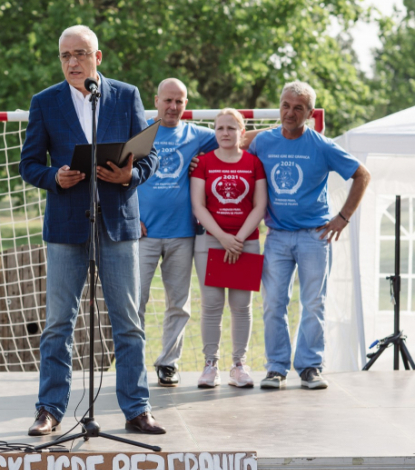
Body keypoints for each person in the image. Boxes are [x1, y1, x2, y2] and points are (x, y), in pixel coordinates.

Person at [19, 25, 164, 435]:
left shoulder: (126, 95)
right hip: (66, 225)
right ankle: (49, 408)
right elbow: (29, 163)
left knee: (128, 320)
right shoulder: (45, 102)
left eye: (80, 54)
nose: (72, 62)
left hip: (118, 224)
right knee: (58, 323)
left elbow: (150, 158)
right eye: (65, 56)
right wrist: (54, 177)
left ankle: (137, 408)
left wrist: (127, 175)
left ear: (97, 58)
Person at [248, 81, 371, 390]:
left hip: (315, 237)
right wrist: (199, 159)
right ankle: (276, 367)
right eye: (286, 106)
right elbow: (230, 142)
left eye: (298, 108)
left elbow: (362, 174)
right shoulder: (263, 141)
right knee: (274, 303)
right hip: (276, 236)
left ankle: (310, 367)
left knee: (313, 303)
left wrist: (343, 218)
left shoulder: (322, 145)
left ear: (310, 113)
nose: (290, 112)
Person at [137, 78, 218, 388]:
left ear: (186, 105)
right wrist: (130, 217)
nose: (172, 107)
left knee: (178, 304)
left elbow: (233, 138)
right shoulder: (140, 130)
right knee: (136, 301)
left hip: (183, 233)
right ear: (156, 101)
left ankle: (168, 363)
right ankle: (133, 363)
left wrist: (279, 132)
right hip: (142, 233)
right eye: (167, 100)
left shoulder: (197, 136)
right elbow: (116, 173)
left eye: (179, 102)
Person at [190, 109, 267, 388]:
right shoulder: (203, 163)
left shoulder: (253, 163)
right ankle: (211, 365)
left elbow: (260, 205)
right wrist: (222, 237)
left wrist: (239, 238)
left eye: (231, 128)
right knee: (211, 305)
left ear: (242, 132)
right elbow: (198, 205)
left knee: (241, 306)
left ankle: (239, 365)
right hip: (211, 240)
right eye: (220, 128)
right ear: (215, 132)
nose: (225, 133)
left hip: (246, 242)